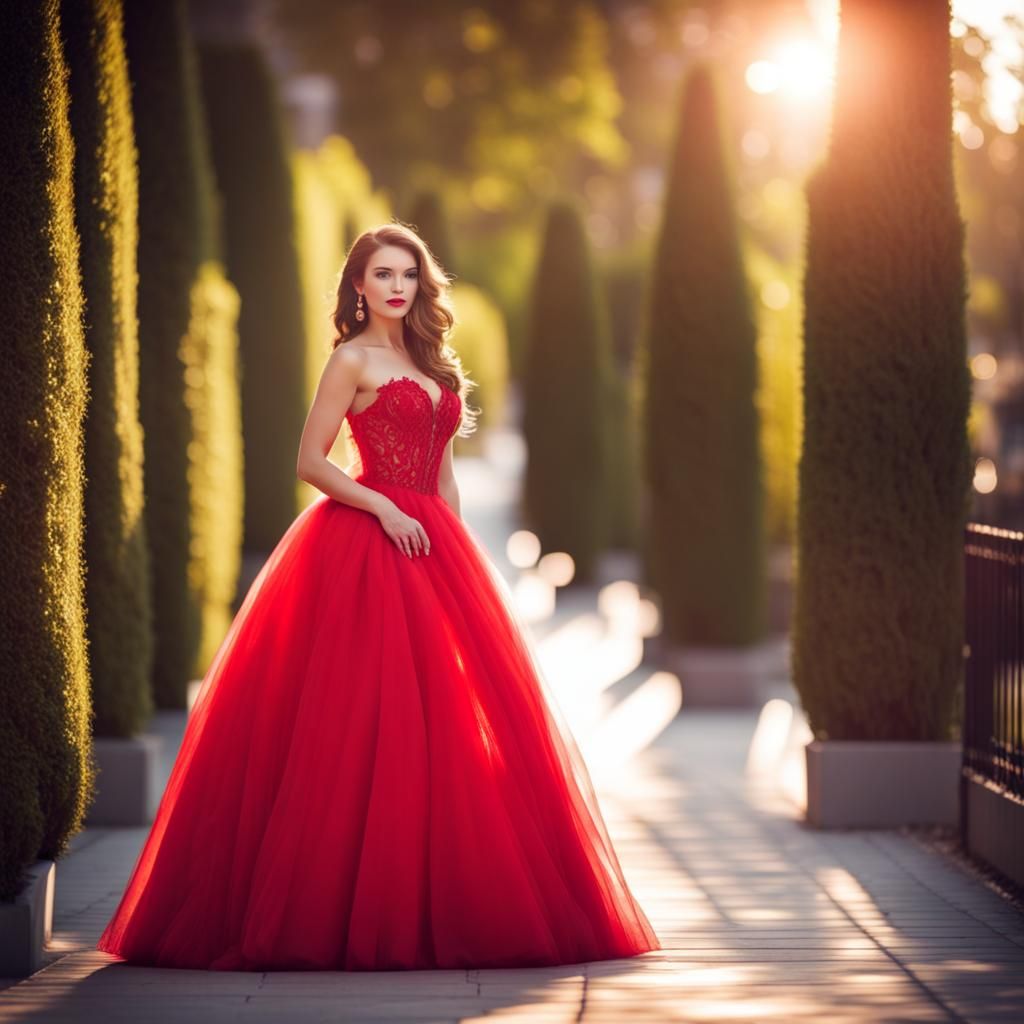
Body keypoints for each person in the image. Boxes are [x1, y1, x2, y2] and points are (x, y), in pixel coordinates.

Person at [96, 222, 660, 971]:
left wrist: (460, 559)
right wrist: (384, 508)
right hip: (365, 541)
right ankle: (342, 907)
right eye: (383, 275)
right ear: (358, 286)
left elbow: (447, 476)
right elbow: (309, 460)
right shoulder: (350, 360)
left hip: (434, 548)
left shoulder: (434, 366)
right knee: (358, 717)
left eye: (408, 275)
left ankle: (444, 899)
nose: (397, 287)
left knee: (449, 725)